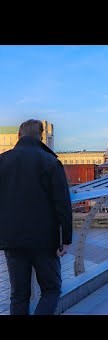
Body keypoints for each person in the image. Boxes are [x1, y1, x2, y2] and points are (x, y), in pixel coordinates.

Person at [0, 119, 72, 315]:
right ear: (41, 138)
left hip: (11, 239)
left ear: (18, 136)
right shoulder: (50, 162)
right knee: (51, 289)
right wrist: (65, 239)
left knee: (18, 295)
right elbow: (63, 205)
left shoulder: (2, 161)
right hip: (44, 240)